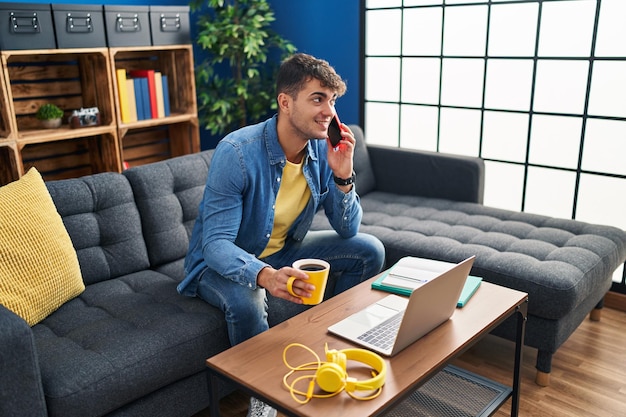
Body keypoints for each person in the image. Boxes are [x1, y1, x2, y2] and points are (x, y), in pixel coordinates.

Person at [179, 53, 385, 417]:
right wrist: (266, 276)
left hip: (281, 252)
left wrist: (342, 175)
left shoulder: (323, 151)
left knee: (368, 249)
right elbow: (215, 245)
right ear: (285, 102)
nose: (329, 112)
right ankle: (265, 401)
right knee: (247, 300)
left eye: (333, 100)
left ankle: (332, 349)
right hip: (222, 264)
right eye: (318, 99)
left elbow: (347, 228)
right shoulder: (237, 152)